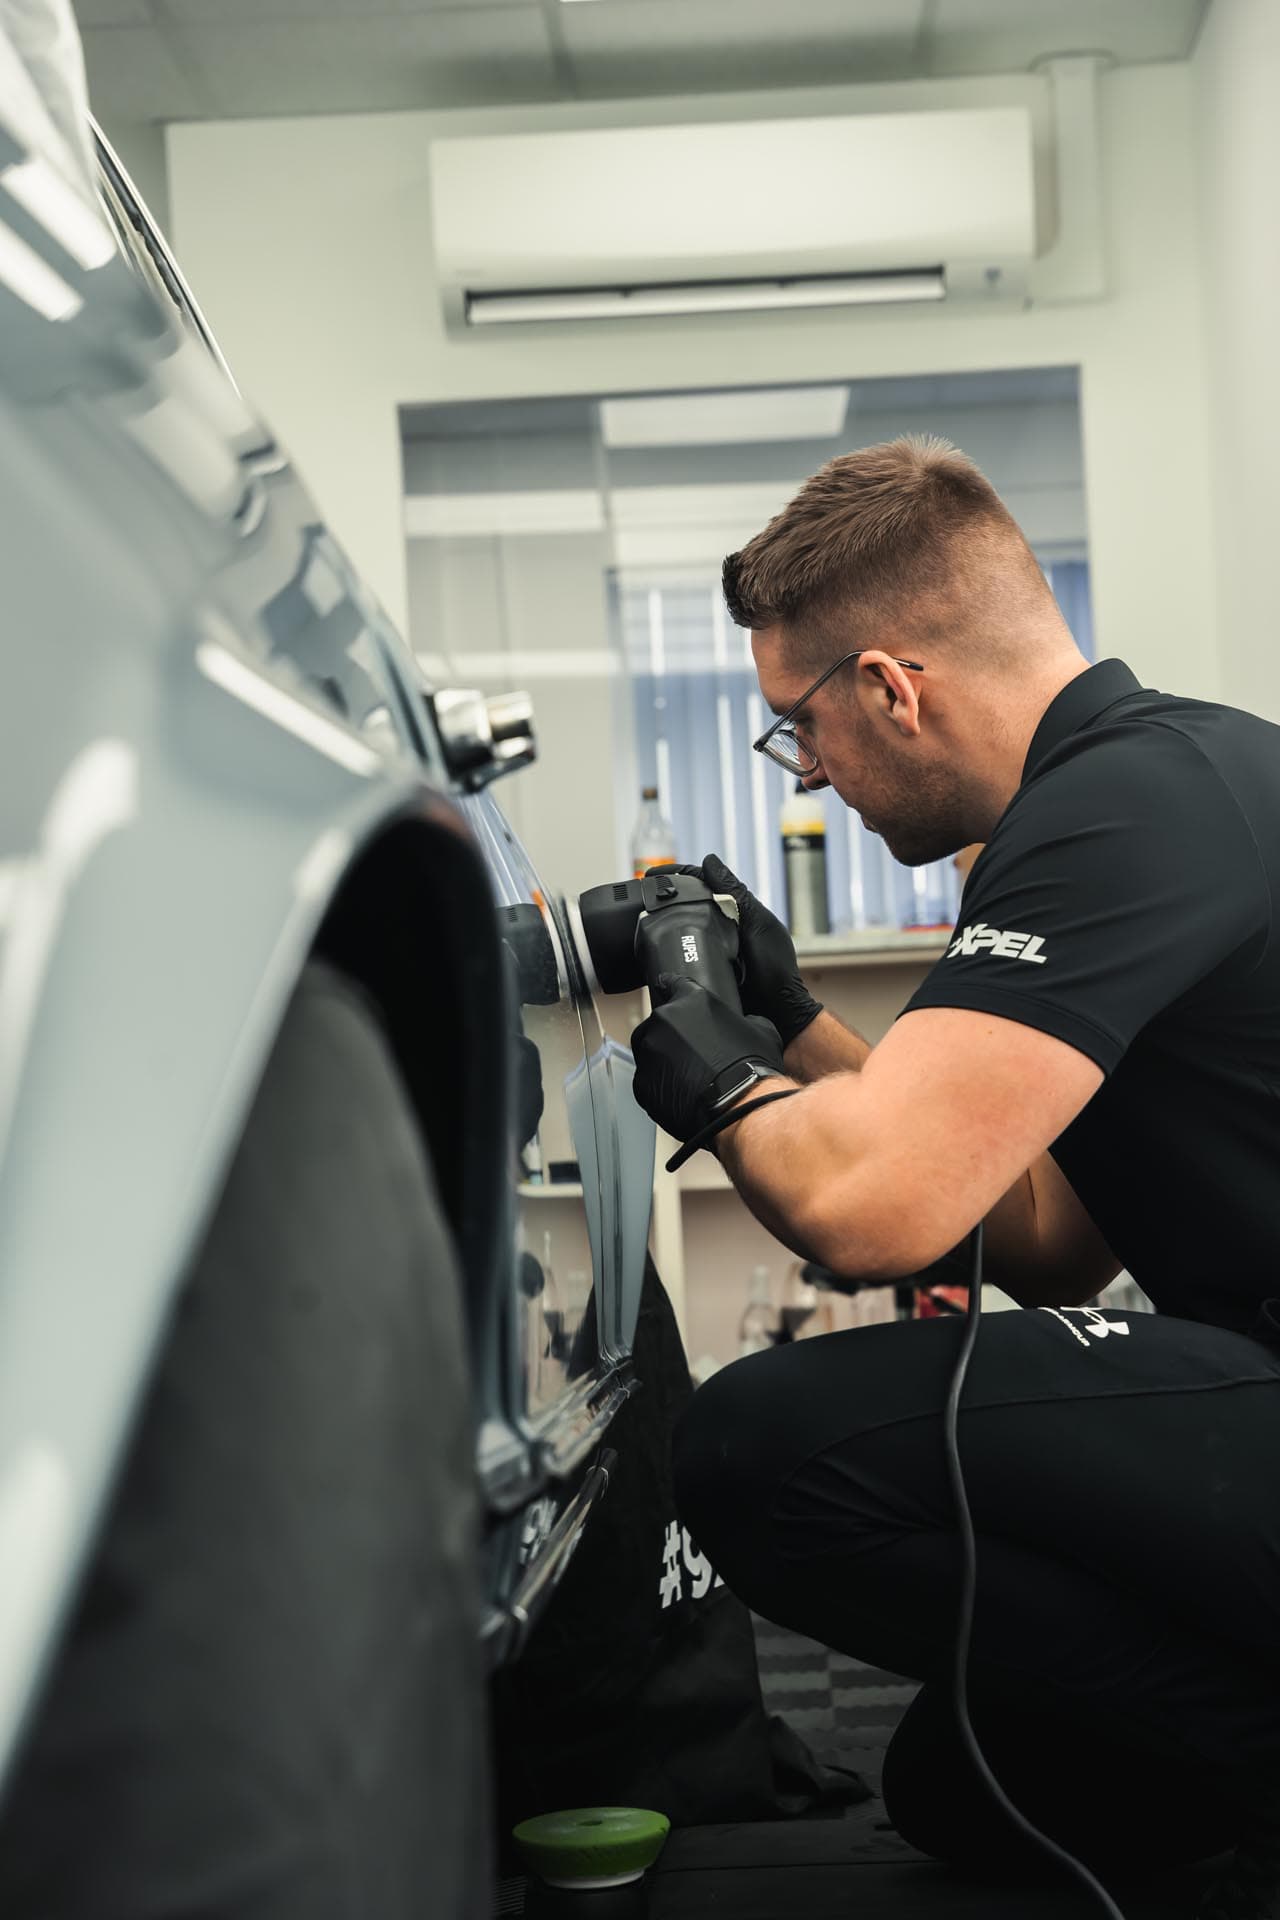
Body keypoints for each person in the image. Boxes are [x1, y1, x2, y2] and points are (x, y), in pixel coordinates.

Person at [628, 436, 1280, 1918]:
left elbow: (876, 1211)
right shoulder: (1154, 788)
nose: (811, 772)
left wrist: (721, 1081)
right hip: (1251, 1375)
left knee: (751, 1449)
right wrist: (793, 1026)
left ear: (890, 685)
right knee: (967, 1783)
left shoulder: (1124, 808)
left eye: (799, 729)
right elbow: (1044, 1237)